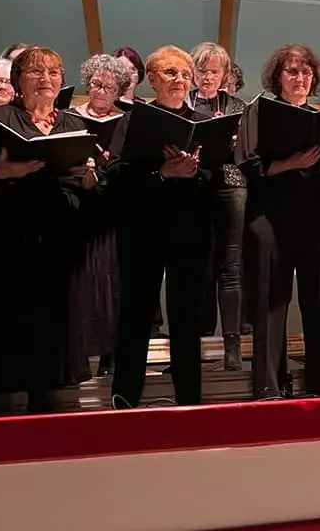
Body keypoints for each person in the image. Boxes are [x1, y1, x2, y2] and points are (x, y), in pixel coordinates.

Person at [0, 46, 100, 414]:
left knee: (51, 328)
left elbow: (88, 192)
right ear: (18, 81)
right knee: (6, 325)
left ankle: (45, 412)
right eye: (36, 72)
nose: (45, 79)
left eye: (53, 72)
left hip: (58, 242)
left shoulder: (73, 124)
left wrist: (89, 180)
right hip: (8, 240)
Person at [237, 44, 320, 398]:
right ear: (277, 77)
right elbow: (248, 165)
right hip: (272, 215)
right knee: (271, 302)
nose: (300, 79)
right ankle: (269, 386)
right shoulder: (259, 111)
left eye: (306, 73)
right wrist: (293, 163)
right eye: (292, 72)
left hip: (319, 215)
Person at [108, 46, 213, 407]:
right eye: (170, 73)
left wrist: (199, 171)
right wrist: (161, 174)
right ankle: (125, 394)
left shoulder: (203, 119)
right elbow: (116, 174)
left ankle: (189, 397)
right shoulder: (135, 119)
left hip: (191, 228)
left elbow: (219, 175)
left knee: (187, 316)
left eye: (185, 74)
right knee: (137, 312)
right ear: (151, 79)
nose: (180, 80)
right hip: (144, 230)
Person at [70, 55, 131, 377]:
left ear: (119, 90)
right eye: (95, 84)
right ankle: (80, 350)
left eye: (108, 87)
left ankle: (110, 352)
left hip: (113, 207)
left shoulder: (126, 121)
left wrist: (110, 162)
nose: (100, 91)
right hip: (78, 206)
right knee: (81, 279)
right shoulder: (70, 117)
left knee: (112, 280)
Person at [190, 42, 248, 371]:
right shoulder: (183, 102)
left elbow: (249, 154)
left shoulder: (236, 105)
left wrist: (238, 143)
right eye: (203, 70)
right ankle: (194, 342)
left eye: (215, 72)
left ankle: (232, 346)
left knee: (230, 267)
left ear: (225, 75)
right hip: (194, 185)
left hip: (230, 184)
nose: (208, 77)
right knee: (196, 267)